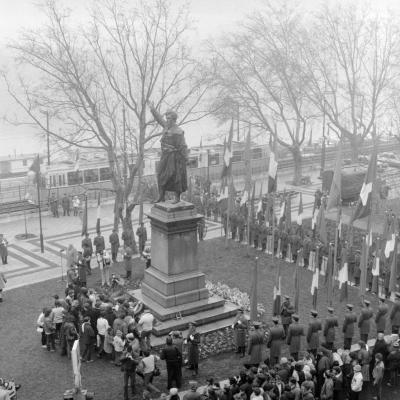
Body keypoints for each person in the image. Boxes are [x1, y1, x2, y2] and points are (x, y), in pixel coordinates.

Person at [148, 101, 188, 203]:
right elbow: (159, 119)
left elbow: (183, 146)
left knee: (175, 176)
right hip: (165, 156)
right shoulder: (166, 126)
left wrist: (184, 159)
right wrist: (152, 109)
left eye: (169, 118)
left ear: (174, 119)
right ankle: (161, 196)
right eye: (167, 119)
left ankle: (177, 197)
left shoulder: (178, 131)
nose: (167, 120)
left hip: (174, 157)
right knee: (160, 174)